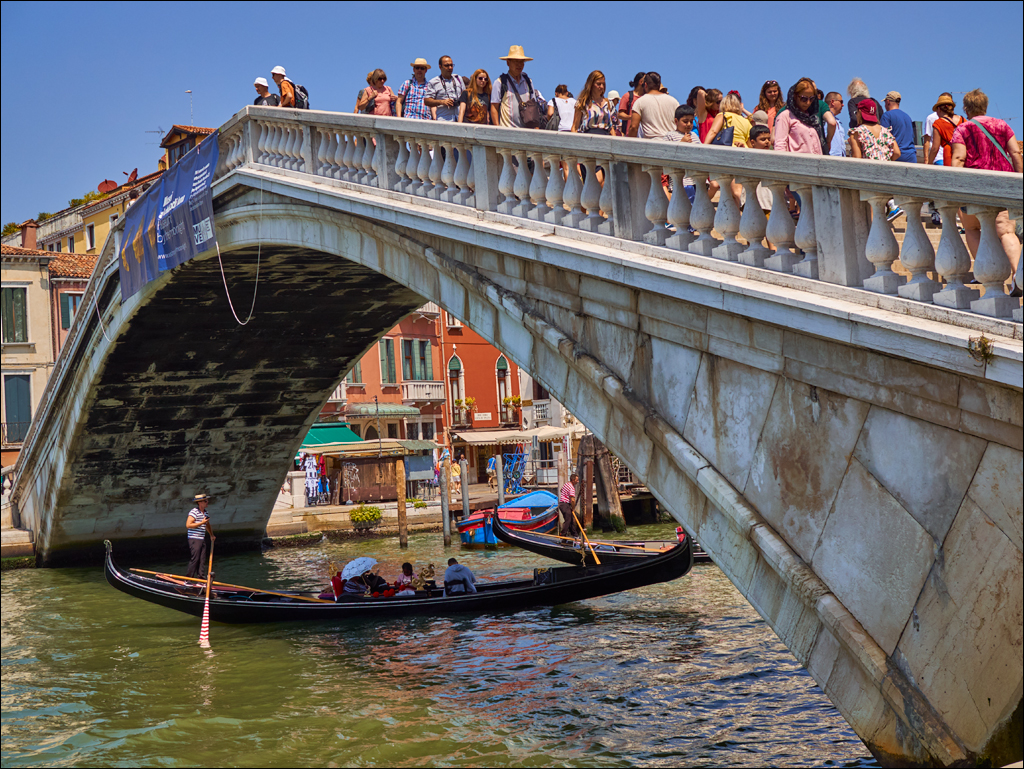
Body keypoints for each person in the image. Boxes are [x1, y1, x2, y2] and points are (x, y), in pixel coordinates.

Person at [950, 88, 1024, 287]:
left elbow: (958, 158)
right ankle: (1019, 276)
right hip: (1002, 185)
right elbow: (1016, 153)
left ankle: (987, 275)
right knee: (1007, 232)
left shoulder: (963, 129)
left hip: (974, 187)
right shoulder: (1002, 125)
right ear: (985, 106)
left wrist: (954, 187)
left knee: (973, 228)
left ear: (966, 109)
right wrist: (1018, 180)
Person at [490, 45, 545, 129]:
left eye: (521, 62)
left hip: (527, 132)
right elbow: (494, 107)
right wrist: (498, 129)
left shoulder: (528, 82)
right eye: (516, 61)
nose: (519, 65)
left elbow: (534, 105)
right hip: (507, 131)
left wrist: (535, 129)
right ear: (508, 63)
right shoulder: (500, 82)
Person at [774, 78, 823, 155]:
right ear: (795, 96)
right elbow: (780, 145)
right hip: (795, 164)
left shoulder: (812, 119)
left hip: (815, 164)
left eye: (811, 99)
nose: (808, 102)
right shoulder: (785, 116)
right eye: (804, 99)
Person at [627, 72, 679, 139]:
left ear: (645, 85)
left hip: (651, 144)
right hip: (672, 143)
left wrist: (631, 145)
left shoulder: (640, 102)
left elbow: (634, 127)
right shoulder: (674, 101)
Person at [572, 70, 616, 135]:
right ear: (591, 85)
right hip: (588, 139)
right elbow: (575, 127)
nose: (602, 87)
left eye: (603, 84)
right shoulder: (582, 103)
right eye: (598, 84)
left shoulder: (607, 103)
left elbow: (611, 128)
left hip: (606, 139)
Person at [927, 94, 965, 167]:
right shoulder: (963, 120)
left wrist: (929, 163)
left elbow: (935, 148)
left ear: (939, 109)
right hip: (963, 155)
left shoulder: (938, 123)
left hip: (949, 155)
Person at [879, 91, 917, 163]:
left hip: (897, 157)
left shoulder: (887, 116)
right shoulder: (907, 117)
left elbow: (883, 138)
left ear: (888, 102)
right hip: (911, 157)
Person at [425, 56, 464, 122]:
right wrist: (442, 102)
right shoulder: (433, 82)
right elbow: (427, 100)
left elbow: (465, 97)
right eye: (447, 65)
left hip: (460, 119)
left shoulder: (458, 79)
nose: (450, 68)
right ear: (440, 67)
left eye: (451, 65)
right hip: (444, 120)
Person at [185, 493, 215, 579]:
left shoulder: (205, 512)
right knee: (195, 558)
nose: (207, 502)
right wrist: (202, 522)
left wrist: (211, 535)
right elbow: (188, 525)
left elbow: (207, 524)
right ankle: (188, 579)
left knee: (202, 559)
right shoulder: (194, 512)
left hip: (201, 538)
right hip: (194, 538)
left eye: (207, 500)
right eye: (205, 501)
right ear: (200, 502)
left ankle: (201, 579)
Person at [824, 92, 847, 156]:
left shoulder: (838, 122)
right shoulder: (824, 119)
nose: (843, 105)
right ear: (833, 102)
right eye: (841, 102)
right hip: (830, 158)